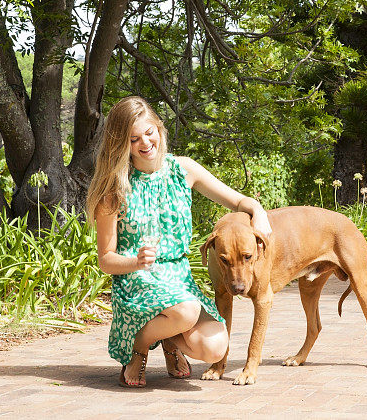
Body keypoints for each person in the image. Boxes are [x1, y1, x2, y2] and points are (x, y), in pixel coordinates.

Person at [85, 96, 272, 388]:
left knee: (214, 348)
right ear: (121, 143)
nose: (145, 143)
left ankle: (170, 340)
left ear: (159, 129)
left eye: (149, 133)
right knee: (186, 311)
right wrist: (135, 261)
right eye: (134, 139)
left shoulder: (184, 170)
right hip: (138, 280)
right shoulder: (114, 189)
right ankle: (138, 348)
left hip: (178, 279)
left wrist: (258, 212)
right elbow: (105, 258)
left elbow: (238, 200)